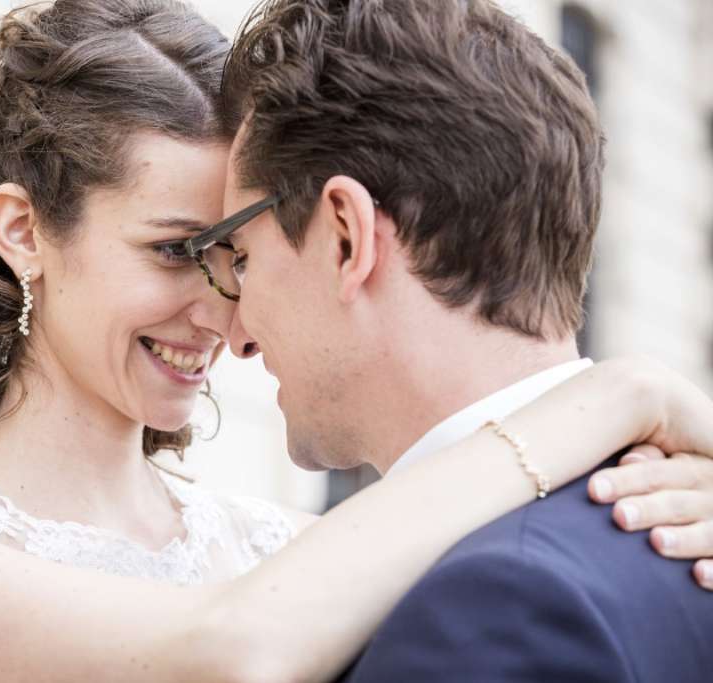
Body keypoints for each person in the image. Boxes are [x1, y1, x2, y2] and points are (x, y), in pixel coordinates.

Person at [0, 2, 713, 682]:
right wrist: (618, 396)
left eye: (233, 254)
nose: (228, 318)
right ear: (24, 231)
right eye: (177, 251)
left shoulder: (297, 550)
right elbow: (226, 648)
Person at [209, 0, 713, 680]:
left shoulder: (493, 605)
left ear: (346, 237)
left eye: (240, 256)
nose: (235, 334)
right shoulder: (671, 540)